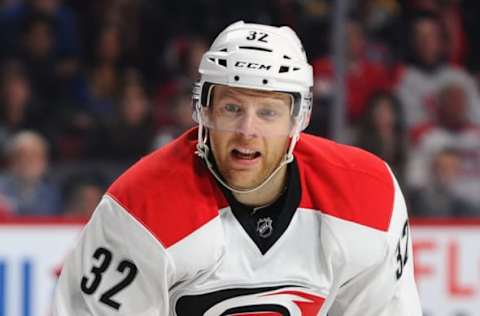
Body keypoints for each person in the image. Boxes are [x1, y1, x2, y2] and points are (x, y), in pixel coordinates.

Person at [53, 21, 421, 315]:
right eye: (232, 108)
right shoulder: (141, 210)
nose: (248, 130)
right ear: (205, 111)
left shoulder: (367, 197)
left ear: (298, 120)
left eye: (268, 112)